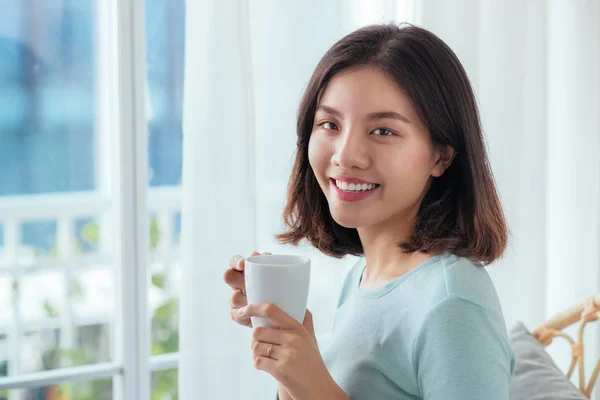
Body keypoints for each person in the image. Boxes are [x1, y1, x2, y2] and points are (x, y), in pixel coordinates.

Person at [223, 23, 515, 400]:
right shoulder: (363, 278)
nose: (345, 156)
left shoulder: (452, 304)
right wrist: (289, 355)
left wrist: (313, 382)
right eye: (329, 124)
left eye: (383, 131)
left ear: (441, 156)